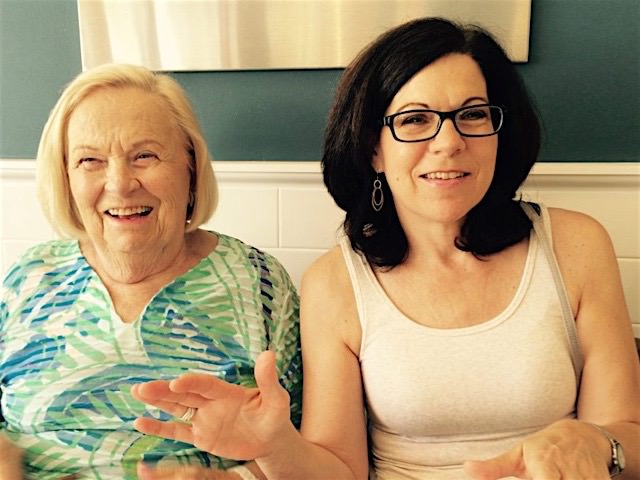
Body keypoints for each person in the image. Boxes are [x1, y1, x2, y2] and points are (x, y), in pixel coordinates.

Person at [130, 17, 640, 480]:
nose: (449, 142)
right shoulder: (335, 284)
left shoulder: (575, 246)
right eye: (415, 119)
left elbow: (629, 433)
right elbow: (339, 470)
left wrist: (597, 441)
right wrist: (274, 447)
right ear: (373, 148)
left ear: (498, 134)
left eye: (473, 115)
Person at [0, 63, 302, 480]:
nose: (120, 184)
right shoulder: (28, 279)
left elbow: (302, 453)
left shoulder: (260, 285)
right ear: (65, 177)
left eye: (145, 155)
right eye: (90, 160)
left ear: (190, 167)